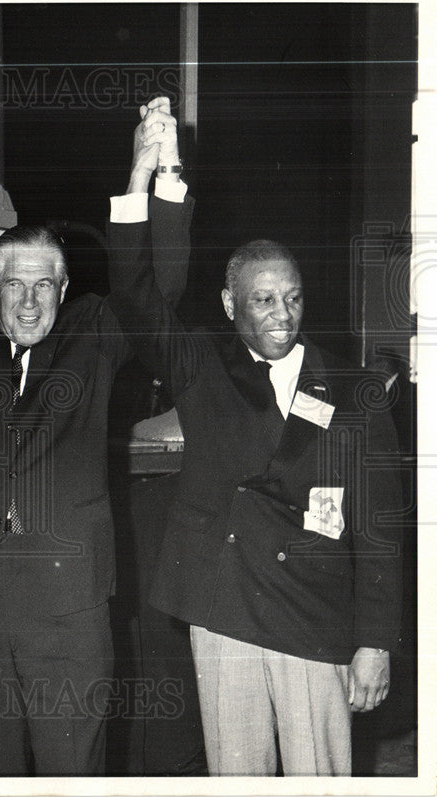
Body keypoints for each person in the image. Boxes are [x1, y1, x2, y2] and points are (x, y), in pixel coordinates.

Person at [106, 98, 403, 775]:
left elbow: (380, 529)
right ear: (229, 304)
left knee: (319, 776)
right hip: (226, 608)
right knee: (236, 778)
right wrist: (151, 172)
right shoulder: (201, 366)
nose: (282, 313)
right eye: (264, 299)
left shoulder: (353, 389)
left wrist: (375, 641)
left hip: (316, 615)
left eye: (292, 296)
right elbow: (133, 293)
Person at [0, 98, 193, 775]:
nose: (29, 299)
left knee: (74, 771)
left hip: (65, 607)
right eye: (14, 283)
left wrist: (147, 172)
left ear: (66, 288)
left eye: (45, 284)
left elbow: (159, 281)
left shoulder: (92, 336)